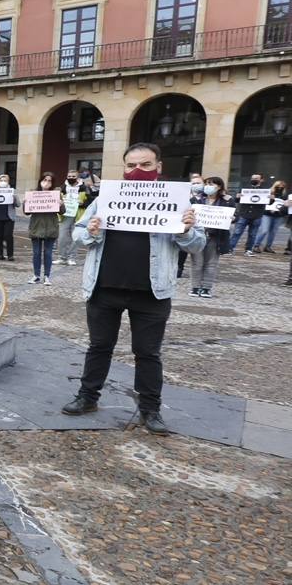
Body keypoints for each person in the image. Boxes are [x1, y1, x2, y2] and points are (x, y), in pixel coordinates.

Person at [62, 142, 204, 435]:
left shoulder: (177, 200)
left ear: (159, 167)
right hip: (104, 288)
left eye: (145, 165)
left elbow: (197, 244)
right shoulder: (104, 198)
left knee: (148, 353)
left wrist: (187, 229)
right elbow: (78, 234)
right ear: (124, 168)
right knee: (99, 347)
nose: (137, 171)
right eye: (131, 166)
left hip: (152, 291)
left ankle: (150, 409)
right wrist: (90, 232)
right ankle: (88, 397)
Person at [188, 176, 235, 298]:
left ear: (219, 186)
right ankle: (195, 287)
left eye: (212, 184)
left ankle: (206, 288)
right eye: (207, 183)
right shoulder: (196, 199)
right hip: (198, 235)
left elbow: (235, 216)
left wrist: (232, 218)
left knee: (211, 263)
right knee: (196, 263)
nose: (208, 186)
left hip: (216, 236)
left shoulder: (227, 200)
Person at [27, 172, 61, 285]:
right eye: (45, 180)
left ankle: (47, 276)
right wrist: (25, 204)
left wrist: (61, 204)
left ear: (52, 183)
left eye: (49, 180)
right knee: (36, 253)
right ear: (40, 181)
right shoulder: (33, 193)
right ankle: (36, 275)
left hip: (50, 227)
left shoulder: (56, 194)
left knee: (48, 253)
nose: (47, 182)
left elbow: (62, 211)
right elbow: (27, 212)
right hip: (36, 227)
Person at [57, 170, 91, 267]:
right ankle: (61, 257)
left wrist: (83, 203)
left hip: (78, 215)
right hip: (65, 215)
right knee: (62, 237)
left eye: (73, 176)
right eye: (69, 176)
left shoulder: (84, 187)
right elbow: (57, 198)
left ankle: (71, 258)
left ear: (78, 178)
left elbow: (90, 201)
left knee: (75, 237)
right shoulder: (62, 187)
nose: (71, 178)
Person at [230, 172, 266, 255]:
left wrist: (272, 199)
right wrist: (237, 197)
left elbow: (270, 202)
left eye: (256, 178)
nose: (254, 180)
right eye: (252, 178)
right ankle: (230, 248)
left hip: (257, 215)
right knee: (237, 232)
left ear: (261, 180)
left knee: (253, 234)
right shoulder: (245, 189)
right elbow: (236, 200)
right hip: (244, 214)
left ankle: (249, 250)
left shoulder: (264, 191)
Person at [256, 180, 287, 253]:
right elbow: (263, 202)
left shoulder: (284, 196)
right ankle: (256, 245)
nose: (280, 188)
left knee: (273, 232)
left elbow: (285, 206)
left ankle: (268, 246)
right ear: (274, 186)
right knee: (264, 230)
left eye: (282, 187)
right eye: (278, 186)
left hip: (278, 215)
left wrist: (280, 210)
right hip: (267, 214)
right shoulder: (269, 193)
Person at [0, 172, 17, 260]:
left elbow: (17, 204)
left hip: (9, 217)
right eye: (1, 180)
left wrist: (14, 197)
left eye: (5, 180)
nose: (3, 181)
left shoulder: (12, 190)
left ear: (8, 181)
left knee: (8, 235)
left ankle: (10, 255)